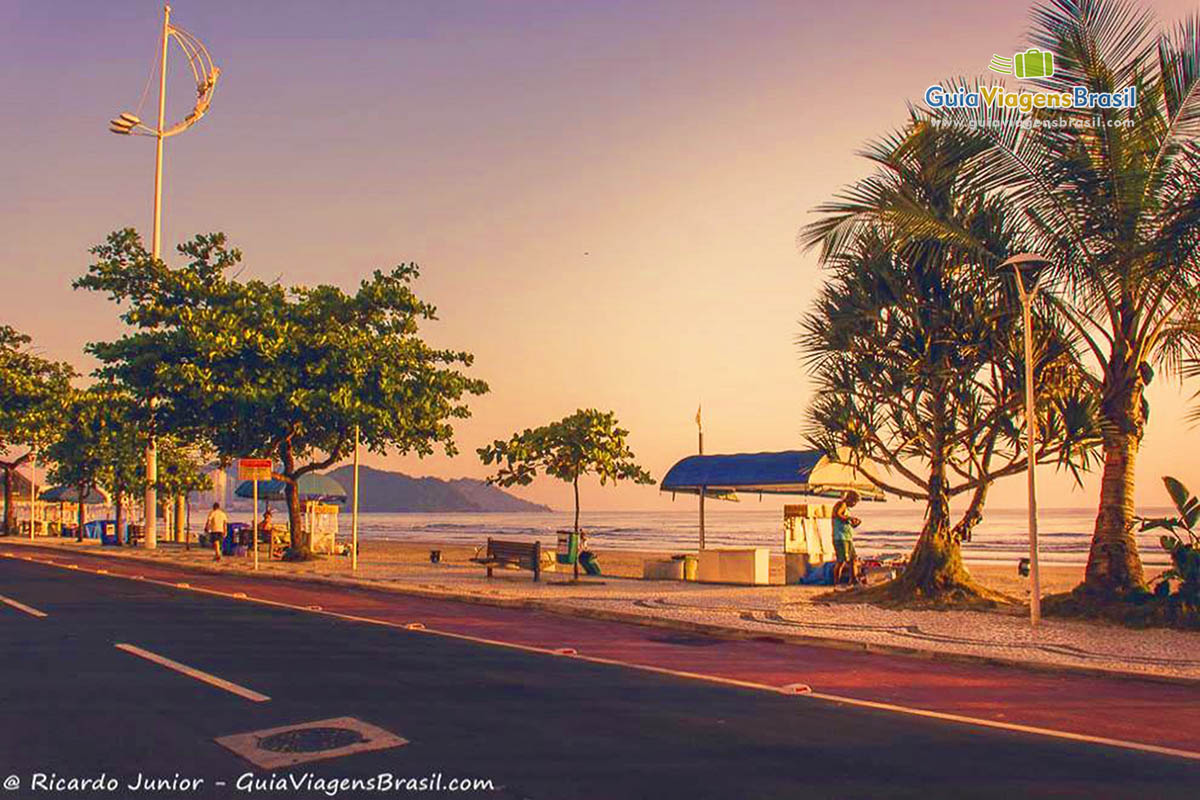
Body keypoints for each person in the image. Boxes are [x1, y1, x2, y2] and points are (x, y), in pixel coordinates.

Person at [831, 490, 861, 585]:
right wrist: (849, 518)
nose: (854, 504)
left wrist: (854, 523)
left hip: (847, 537)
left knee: (853, 559)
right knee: (841, 560)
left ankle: (853, 580)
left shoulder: (847, 509)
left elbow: (844, 521)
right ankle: (837, 582)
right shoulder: (841, 504)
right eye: (854, 502)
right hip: (840, 537)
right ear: (849, 499)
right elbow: (837, 514)